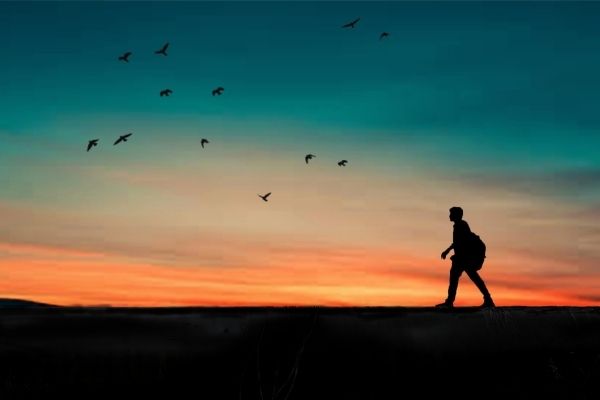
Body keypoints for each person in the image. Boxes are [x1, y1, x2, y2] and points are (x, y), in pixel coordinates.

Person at [436, 206, 495, 308]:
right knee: (461, 276)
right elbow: (457, 242)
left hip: (466, 257)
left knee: (469, 276)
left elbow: (461, 241)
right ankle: (450, 301)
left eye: (451, 214)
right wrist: (448, 251)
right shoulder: (458, 225)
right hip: (462, 257)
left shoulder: (462, 225)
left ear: (457, 215)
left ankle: (488, 299)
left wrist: (448, 251)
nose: (449, 216)